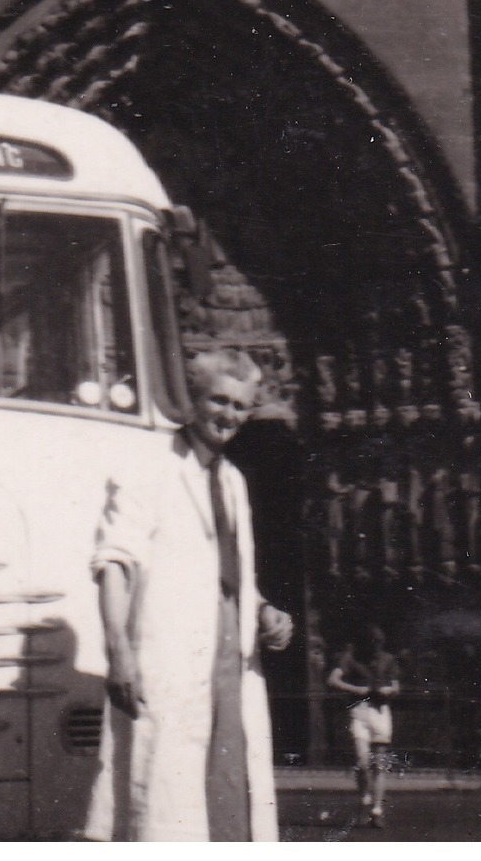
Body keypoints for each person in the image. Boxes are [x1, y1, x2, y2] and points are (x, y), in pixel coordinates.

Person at [86, 348, 294, 841]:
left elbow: (228, 574)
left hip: (230, 660)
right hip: (169, 656)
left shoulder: (233, 481)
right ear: (191, 400)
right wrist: (119, 652)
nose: (230, 415)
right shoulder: (147, 466)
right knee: (166, 800)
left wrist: (264, 610)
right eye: (219, 401)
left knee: (227, 792)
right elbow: (114, 563)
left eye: (241, 406)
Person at [326, 624, 400, 827]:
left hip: (380, 711)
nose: (376, 647)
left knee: (379, 764)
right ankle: (364, 796)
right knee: (362, 761)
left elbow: (396, 687)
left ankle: (377, 810)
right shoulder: (350, 658)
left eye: (379, 644)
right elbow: (333, 680)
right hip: (359, 710)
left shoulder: (388, 660)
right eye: (372, 644)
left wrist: (387, 691)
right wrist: (356, 689)